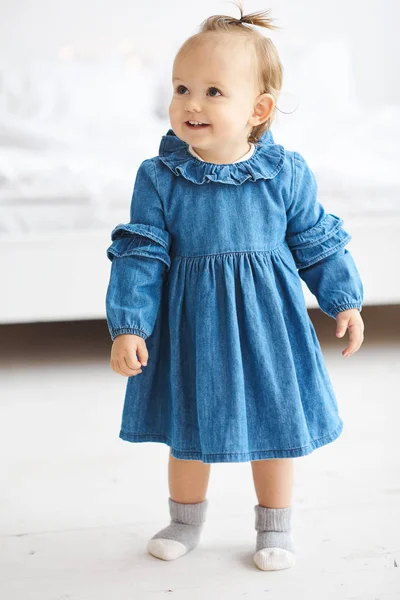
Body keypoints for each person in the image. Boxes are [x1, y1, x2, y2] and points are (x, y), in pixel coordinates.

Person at [105, 3, 365, 572]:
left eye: (213, 91)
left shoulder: (285, 173)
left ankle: (275, 527)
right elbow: (141, 253)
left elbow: (316, 239)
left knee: (274, 430)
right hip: (190, 327)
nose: (191, 103)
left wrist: (342, 299)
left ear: (259, 110)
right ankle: (185, 518)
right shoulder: (159, 176)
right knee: (187, 429)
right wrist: (130, 324)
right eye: (181, 88)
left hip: (267, 326)